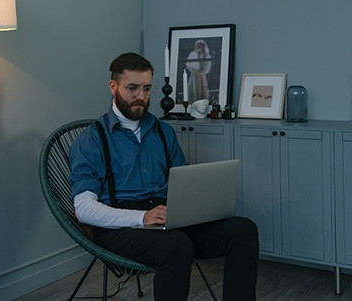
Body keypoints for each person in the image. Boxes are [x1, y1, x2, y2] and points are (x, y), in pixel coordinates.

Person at [68, 52, 259, 300]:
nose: (141, 97)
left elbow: (183, 183)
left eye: (147, 89)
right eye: (132, 88)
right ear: (113, 87)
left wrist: (199, 207)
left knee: (243, 230)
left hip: (167, 218)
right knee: (177, 246)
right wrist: (142, 218)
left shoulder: (162, 131)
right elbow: (83, 209)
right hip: (121, 226)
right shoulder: (92, 139)